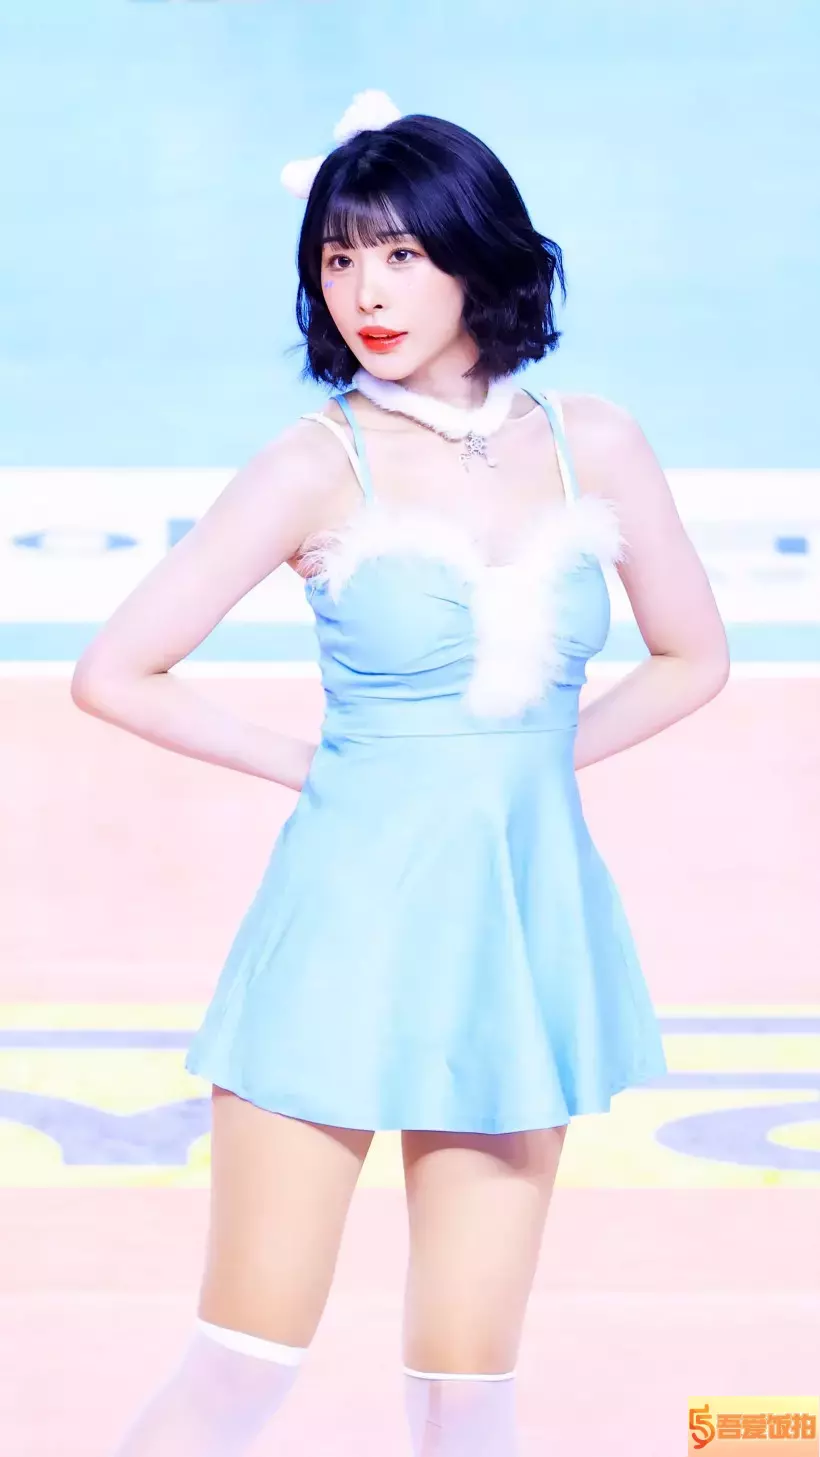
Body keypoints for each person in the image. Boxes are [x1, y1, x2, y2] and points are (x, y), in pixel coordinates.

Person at [71, 90, 729, 1457]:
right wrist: (326, 768)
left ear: (478, 255)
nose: (365, 291)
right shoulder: (314, 464)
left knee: (467, 1398)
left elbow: (693, 657)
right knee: (244, 1365)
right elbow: (115, 671)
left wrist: (523, 764)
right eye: (338, 257)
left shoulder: (594, 441)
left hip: (519, 936)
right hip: (341, 931)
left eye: (402, 254)